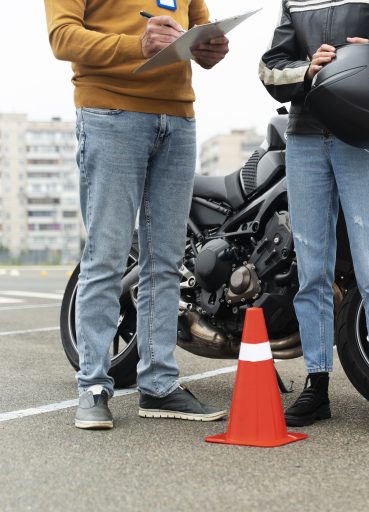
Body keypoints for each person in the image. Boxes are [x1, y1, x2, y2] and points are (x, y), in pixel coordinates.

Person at [44, 0, 230, 430]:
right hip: (110, 114)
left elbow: (198, 27)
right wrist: (136, 46)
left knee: (165, 262)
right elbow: (62, 38)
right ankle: (92, 387)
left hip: (178, 119)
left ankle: (159, 385)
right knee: (106, 257)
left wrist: (210, 49)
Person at [259, 0, 369, 435]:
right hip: (305, 138)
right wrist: (308, 68)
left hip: (367, 139)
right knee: (313, 271)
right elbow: (269, 68)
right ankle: (317, 386)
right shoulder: (293, 2)